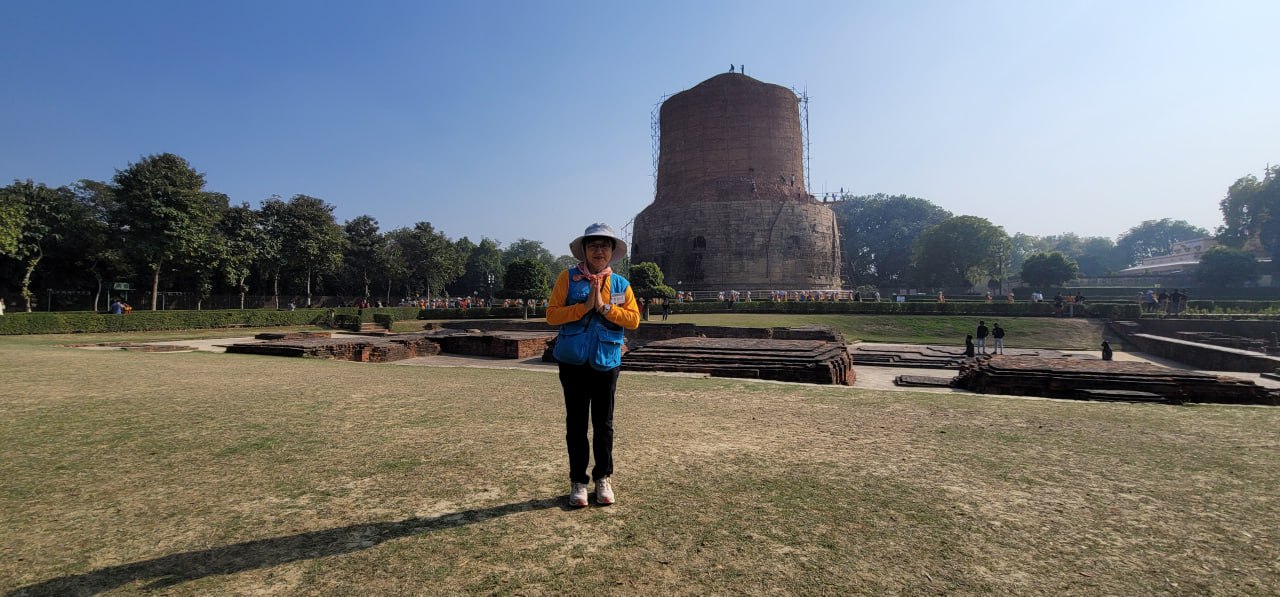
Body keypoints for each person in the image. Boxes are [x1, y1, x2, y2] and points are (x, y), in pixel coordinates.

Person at [546, 223, 641, 508]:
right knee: (575, 423)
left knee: (604, 424)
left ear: (612, 252)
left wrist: (604, 307)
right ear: (585, 250)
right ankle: (578, 480)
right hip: (573, 361)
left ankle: (603, 478)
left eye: (604, 246)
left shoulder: (621, 285)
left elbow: (633, 320)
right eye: (593, 245)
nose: (599, 250)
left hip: (606, 361)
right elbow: (551, 315)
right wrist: (584, 307)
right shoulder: (568, 278)